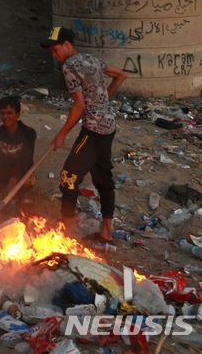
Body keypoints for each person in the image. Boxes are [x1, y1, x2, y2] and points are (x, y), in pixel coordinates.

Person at [41, 26, 127, 246]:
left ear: (67, 45)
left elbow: (79, 105)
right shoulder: (91, 59)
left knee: (68, 177)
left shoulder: (69, 66)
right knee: (103, 178)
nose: (54, 55)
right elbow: (121, 75)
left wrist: (61, 134)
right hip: (109, 126)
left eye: (56, 49)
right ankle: (106, 233)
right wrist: (103, 100)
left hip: (94, 129)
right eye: (51, 51)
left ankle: (65, 232)